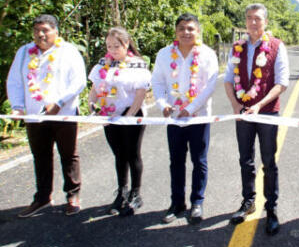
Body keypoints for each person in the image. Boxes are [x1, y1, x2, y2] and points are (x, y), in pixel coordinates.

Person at [7, 14, 86, 217]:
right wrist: (17, 106)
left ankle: (73, 195)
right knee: (40, 156)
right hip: (34, 115)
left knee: (69, 155)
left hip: (64, 114)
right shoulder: (24, 53)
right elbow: (15, 81)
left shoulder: (68, 52)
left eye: (45, 30)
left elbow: (79, 82)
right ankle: (42, 198)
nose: (40, 35)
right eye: (36, 31)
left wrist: (59, 103)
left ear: (56, 32)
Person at [224, 3, 289, 235]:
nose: (253, 22)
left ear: (265, 22)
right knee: (245, 159)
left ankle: (271, 208)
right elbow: (229, 80)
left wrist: (259, 105)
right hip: (242, 112)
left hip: (267, 112)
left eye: (258, 19)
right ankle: (248, 201)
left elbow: (282, 82)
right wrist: (236, 105)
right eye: (249, 18)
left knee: (269, 162)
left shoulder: (276, 46)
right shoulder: (237, 48)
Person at [152, 13, 218, 224]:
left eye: (190, 28)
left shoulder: (207, 54)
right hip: (174, 117)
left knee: (199, 160)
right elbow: (158, 83)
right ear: (176, 31)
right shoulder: (164, 55)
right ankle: (177, 203)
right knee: (176, 160)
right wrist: (163, 105)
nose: (186, 32)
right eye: (182, 28)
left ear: (197, 31)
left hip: (198, 117)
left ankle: (197, 202)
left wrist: (190, 108)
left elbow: (210, 86)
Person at [88, 27, 151, 217]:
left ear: (126, 44)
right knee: (119, 155)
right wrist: (93, 107)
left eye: (117, 46)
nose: (113, 50)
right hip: (110, 114)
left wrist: (129, 115)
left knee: (132, 154)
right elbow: (95, 89)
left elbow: (140, 93)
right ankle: (121, 191)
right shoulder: (103, 65)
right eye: (109, 46)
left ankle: (136, 193)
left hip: (131, 113)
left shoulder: (138, 65)